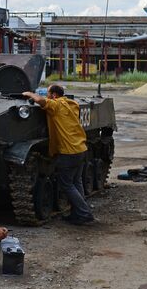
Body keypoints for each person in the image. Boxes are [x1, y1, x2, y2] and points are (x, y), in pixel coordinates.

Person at [22, 85, 95, 225]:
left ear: (54, 95)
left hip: (69, 151)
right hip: (80, 148)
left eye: (48, 93)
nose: (47, 95)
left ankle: (84, 214)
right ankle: (78, 213)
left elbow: (41, 101)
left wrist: (30, 93)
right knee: (76, 181)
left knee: (66, 184)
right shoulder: (71, 104)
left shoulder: (56, 105)